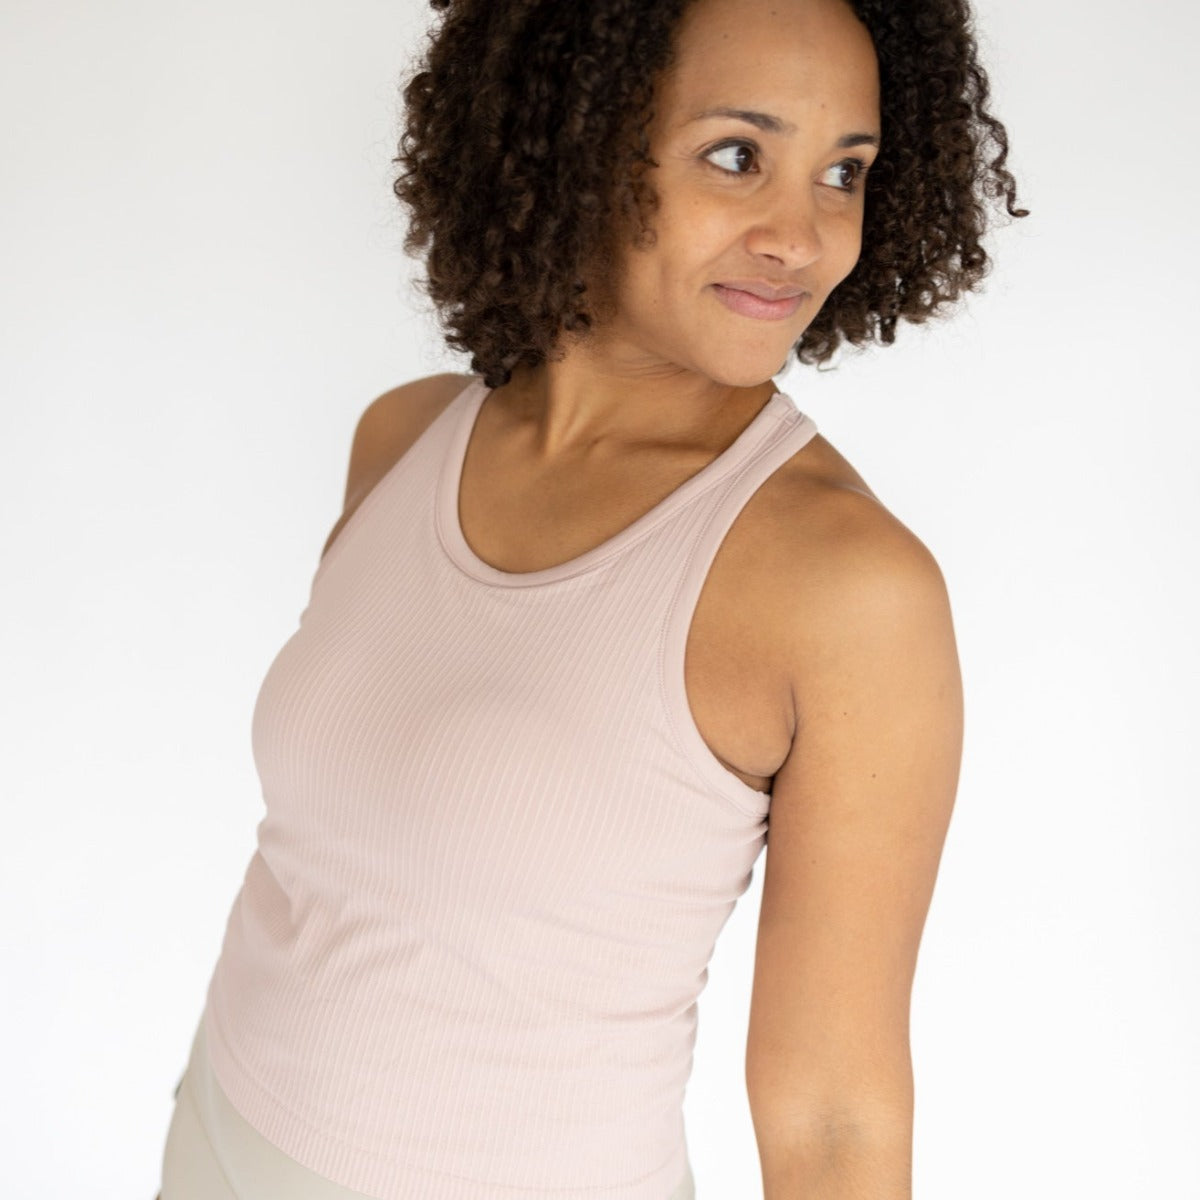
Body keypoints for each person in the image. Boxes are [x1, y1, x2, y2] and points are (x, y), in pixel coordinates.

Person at [157, 0, 1027, 1196]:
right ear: (577, 132)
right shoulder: (405, 441)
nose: (801, 236)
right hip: (217, 1135)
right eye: (738, 155)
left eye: (845, 173)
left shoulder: (844, 588)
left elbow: (834, 1114)